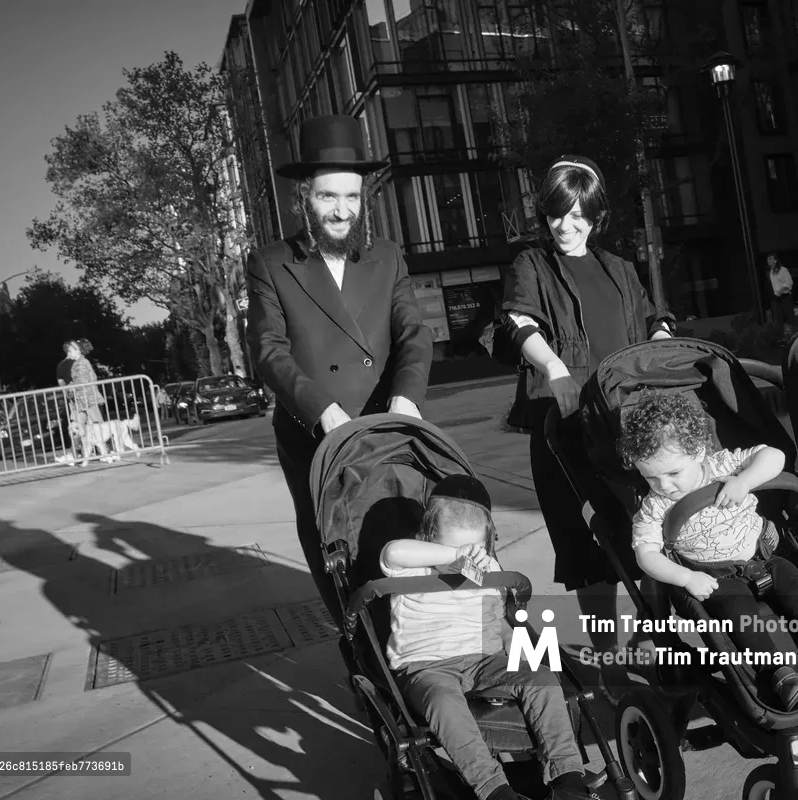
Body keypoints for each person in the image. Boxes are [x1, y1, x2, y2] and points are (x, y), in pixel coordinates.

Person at [493, 155, 676, 699]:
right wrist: (553, 369)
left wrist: (661, 346)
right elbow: (517, 320)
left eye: (578, 215)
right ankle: (609, 659)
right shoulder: (532, 263)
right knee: (588, 547)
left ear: (596, 216)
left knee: (651, 530)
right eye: (557, 213)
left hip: (626, 420)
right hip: (566, 427)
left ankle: (662, 644)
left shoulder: (619, 268)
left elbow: (654, 317)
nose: (567, 225)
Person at [246, 114, 433, 617]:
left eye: (352, 197)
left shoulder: (388, 256)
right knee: (339, 556)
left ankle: (420, 655)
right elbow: (268, 349)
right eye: (329, 197)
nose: (342, 210)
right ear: (303, 196)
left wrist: (407, 398)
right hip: (315, 435)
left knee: (403, 543)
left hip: (387, 426)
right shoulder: (271, 262)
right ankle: (361, 658)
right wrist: (323, 410)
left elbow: (413, 332)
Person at [619, 390, 798, 711]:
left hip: (764, 559)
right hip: (713, 576)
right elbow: (646, 555)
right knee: (740, 615)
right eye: (651, 477)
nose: (665, 486)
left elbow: (774, 456)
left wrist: (745, 480)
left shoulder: (723, 465)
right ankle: (780, 673)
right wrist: (685, 578)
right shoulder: (654, 507)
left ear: (697, 451)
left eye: (673, 473)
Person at [381, 475, 592, 800]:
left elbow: (500, 616)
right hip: (428, 667)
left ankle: (568, 779)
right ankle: (494, 790)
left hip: (484, 660)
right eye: (455, 547)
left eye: (475, 549)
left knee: (541, 677)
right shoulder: (413, 569)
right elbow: (394, 551)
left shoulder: (485, 567)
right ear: (430, 538)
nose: (467, 558)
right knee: (443, 702)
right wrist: (451, 554)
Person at [65, 339, 111, 467]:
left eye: (70, 350)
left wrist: (73, 387)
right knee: (79, 428)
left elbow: (87, 380)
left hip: (88, 400)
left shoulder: (83, 363)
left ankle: (106, 451)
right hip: (81, 401)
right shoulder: (76, 364)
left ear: (78, 350)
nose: (68, 352)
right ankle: (76, 454)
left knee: (98, 426)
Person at [766, 253, 795, 337]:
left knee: (788, 316)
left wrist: (780, 290)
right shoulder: (771, 272)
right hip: (776, 298)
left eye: (771, 259)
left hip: (785, 296)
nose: (769, 260)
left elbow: (789, 282)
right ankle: (782, 337)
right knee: (778, 318)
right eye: (768, 259)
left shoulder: (783, 270)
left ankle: (790, 335)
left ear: (775, 260)